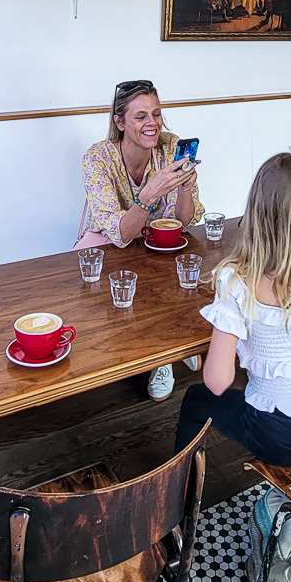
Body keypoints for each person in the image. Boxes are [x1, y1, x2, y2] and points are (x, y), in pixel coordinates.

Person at [175, 151, 291, 465]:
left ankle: (178, 501)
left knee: (196, 399)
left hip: (276, 436)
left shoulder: (237, 281)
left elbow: (217, 381)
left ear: (256, 210)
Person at [80, 79, 205, 400]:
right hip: (109, 243)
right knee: (122, 293)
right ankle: (166, 349)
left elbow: (185, 220)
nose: (152, 123)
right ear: (119, 122)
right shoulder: (97, 159)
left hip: (159, 238)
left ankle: (171, 345)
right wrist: (148, 195)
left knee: (186, 268)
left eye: (156, 113)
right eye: (140, 116)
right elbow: (120, 236)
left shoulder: (170, 146)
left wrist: (185, 185)